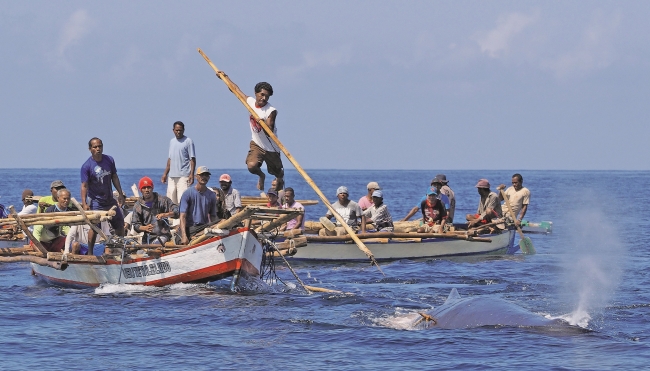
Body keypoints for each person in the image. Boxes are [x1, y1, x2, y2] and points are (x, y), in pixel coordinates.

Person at [220, 77, 284, 192]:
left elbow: (269, 132)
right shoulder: (250, 102)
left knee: (277, 173)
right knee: (251, 166)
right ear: (256, 93)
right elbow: (235, 89)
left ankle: (279, 184)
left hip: (271, 148)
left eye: (267, 97)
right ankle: (261, 176)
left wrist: (262, 122)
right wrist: (224, 77)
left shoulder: (271, 111)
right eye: (262, 95)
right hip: (257, 144)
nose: (264, 98)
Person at [80, 137, 126, 254]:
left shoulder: (109, 160)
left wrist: (120, 193)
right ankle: (90, 253)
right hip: (96, 201)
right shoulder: (86, 166)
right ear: (90, 149)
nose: (98, 149)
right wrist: (84, 203)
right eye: (95, 147)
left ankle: (120, 249)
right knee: (95, 227)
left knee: (120, 224)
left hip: (109, 200)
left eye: (100, 146)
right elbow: (84, 186)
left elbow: (114, 177)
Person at [131, 176, 179, 245]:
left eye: (149, 187)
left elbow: (177, 211)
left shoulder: (163, 200)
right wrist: (144, 228)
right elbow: (135, 225)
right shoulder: (138, 205)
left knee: (156, 245)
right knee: (141, 253)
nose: (147, 190)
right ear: (140, 190)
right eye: (144, 188)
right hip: (147, 238)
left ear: (152, 188)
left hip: (163, 236)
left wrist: (165, 214)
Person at [179, 166, 217, 245]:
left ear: (209, 178)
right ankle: (194, 236)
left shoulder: (211, 195)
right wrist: (184, 235)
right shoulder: (187, 193)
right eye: (202, 175)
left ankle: (199, 236)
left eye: (206, 175)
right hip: (190, 228)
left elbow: (213, 216)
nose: (204, 177)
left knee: (222, 222)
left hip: (203, 227)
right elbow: (182, 216)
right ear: (196, 177)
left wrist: (215, 231)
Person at [161, 121, 196, 204]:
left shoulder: (188, 141)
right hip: (172, 176)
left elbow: (192, 159)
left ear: (183, 130)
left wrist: (191, 174)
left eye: (180, 130)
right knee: (171, 200)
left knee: (182, 199)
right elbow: (170, 159)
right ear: (173, 130)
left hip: (183, 176)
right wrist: (165, 174)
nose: (178, 132)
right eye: (176, 130)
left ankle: (183, 217)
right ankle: (172, 217)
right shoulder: (172, 142)